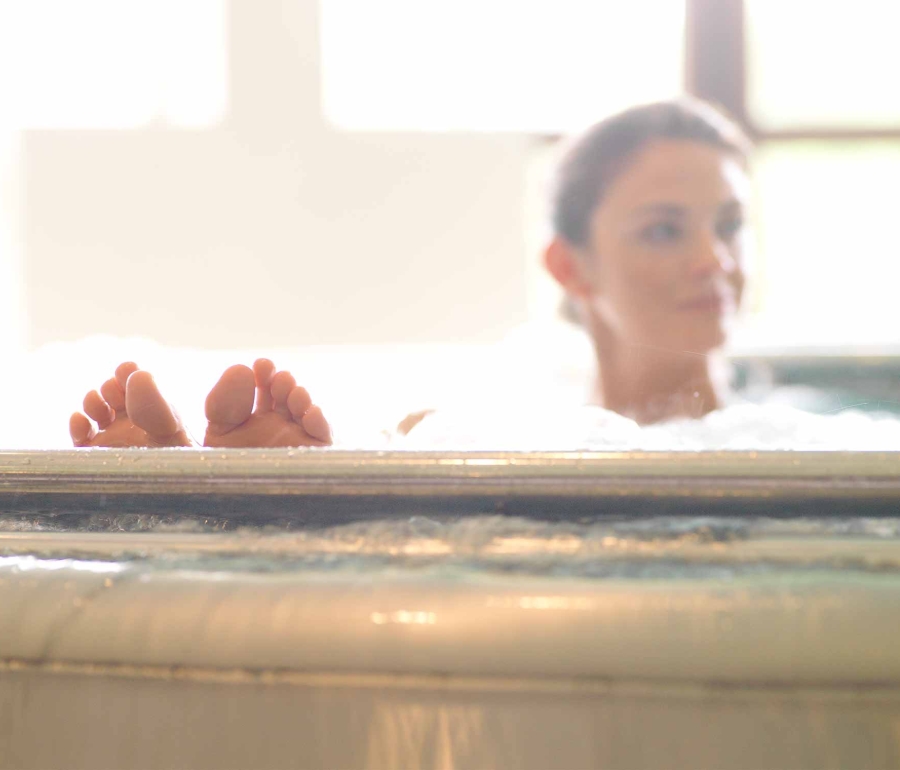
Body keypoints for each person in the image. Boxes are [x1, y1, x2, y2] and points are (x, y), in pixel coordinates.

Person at [69, 97, 752, 448]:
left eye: (728, 225)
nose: (716, 260)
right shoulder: (483, 438)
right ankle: (217, 490)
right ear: (568, 265)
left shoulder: (788, 444)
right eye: (664, 229)